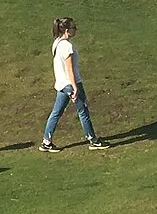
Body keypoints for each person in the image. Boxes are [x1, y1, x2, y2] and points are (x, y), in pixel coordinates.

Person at [40, 16, 109, 151]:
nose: (75, 30)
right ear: (66, 30)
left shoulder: (57, 42)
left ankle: (46, 142)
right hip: (70, 84)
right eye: (73, 28)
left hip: (61, 84)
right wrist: (75, 87)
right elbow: (69, 68)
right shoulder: (67, 46)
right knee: (83, 111)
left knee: (56, 112)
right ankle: (93, 140)